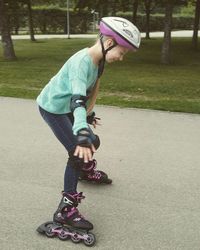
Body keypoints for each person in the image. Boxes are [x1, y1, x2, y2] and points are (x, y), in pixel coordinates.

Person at [37, 17, 141, 232]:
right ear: (109, 43)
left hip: (67, 107)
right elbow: (77, 98)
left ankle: (85, 171)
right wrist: (81, 129)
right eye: (122, 53)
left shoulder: (98, 62)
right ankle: (65, 210)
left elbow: (88, 91)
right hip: (53, 108)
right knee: (77, 151)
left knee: (93, 141)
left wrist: (89, 115)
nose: (121, 58)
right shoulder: (81, 63)